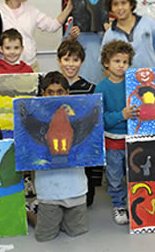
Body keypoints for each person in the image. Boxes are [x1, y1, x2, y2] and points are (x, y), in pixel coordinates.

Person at [29, 71, 89, 242]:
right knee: (44, 236)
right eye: (50, 92)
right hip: (49, 191)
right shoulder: (38, 118)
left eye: (60, 91)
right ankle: (30, 213)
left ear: (67, 93)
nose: (55, 96)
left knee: (77, 231)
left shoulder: (76, 115)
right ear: (43, 94)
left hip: (76, 188)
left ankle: (61, 219)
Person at [94, 40, 138, 225]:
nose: (121, 65)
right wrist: (122, 115)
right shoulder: (101, 88)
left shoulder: (134, 83)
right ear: (106, 63)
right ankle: (119, 204)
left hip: (134, 139)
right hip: (113, 141)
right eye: (116, 61)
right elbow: (100, 119)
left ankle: (136, 203)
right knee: (114, 175)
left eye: (125, 62)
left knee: (136, 173)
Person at [56, 39, 101, 206]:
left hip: (83, 144)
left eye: (75, 60)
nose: (70, 64)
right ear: (59, 61)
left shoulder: (91, 89)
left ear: (82, 62)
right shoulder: (52, 87)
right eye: (66, 59)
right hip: (60, 143)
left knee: (86, 201)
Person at [0, 0, 73, 70]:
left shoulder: (32, 11)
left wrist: (69, 8)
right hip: (4, 67)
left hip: (30, 65)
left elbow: (53, 26)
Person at [100, 0, 155, 68]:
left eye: (123, 3)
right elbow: (106, 67)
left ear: (131, 5)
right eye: (115, 4)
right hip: (126, 80)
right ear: (111, 9)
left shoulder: (149, 22)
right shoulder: (109, 35)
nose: (120, 8)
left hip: (153, 78)